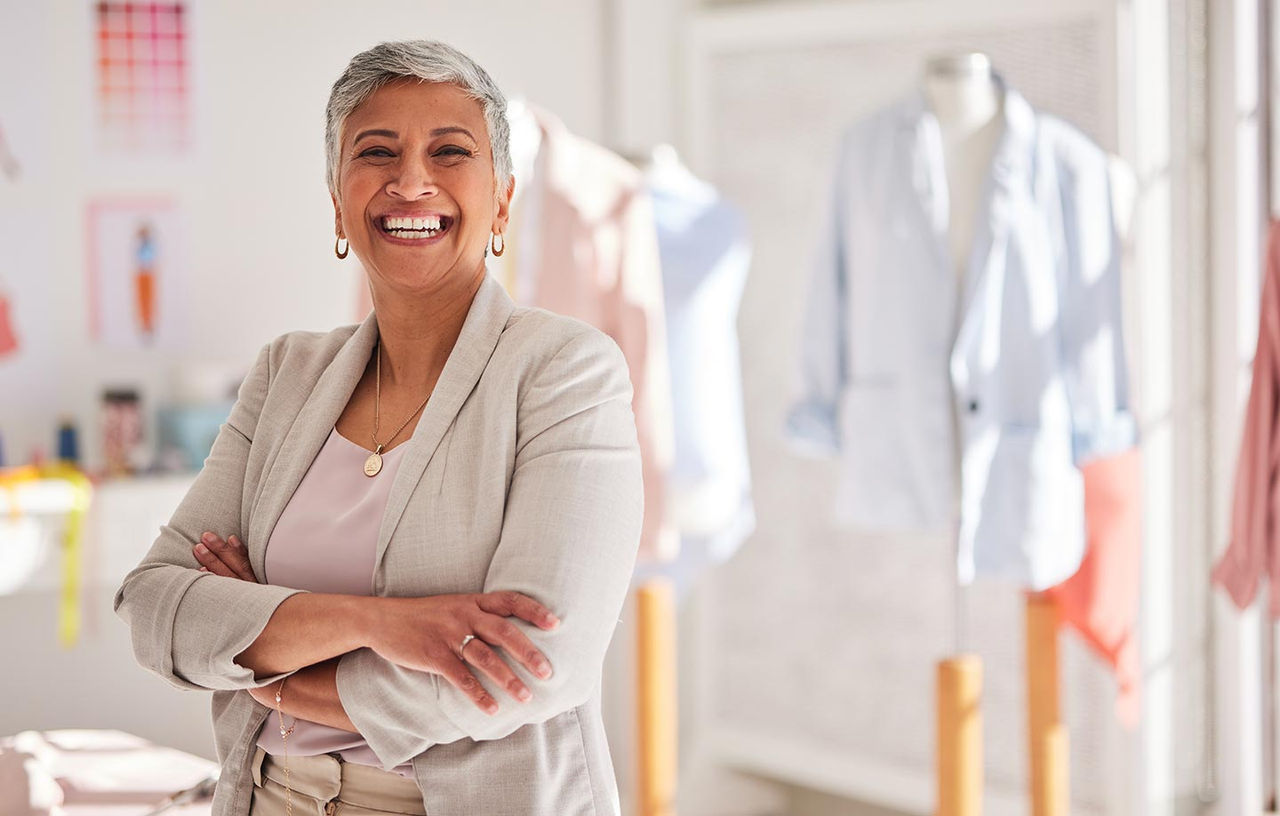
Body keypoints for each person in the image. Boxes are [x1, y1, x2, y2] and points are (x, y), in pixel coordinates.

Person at [113, 40, 643, 816]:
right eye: (378, 151)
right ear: (337, 199)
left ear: (500, 200)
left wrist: (266, 655)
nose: (412, 180)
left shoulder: (564, 372)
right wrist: (382, 625)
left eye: (449, 151)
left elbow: (533, 668)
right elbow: (156, 607)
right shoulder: (285, 374)